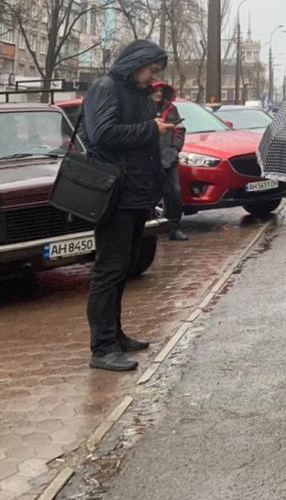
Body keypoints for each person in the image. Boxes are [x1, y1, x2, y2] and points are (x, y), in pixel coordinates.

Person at [80, 40, 174, 372]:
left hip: (135, 194)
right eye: (151, 70)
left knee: (124, 266)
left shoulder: (136, 93)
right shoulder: (105, 88)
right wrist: (151, 129)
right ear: (135, 64)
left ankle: (115, 335)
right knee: (109, 269)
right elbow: (103, 133)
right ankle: (102, 347)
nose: (153, 78)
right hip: (115, 195)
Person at [151, 82, 188, 241]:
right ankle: (150, 229)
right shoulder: (143, 108)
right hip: (149, 159)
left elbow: (180, 129)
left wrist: (175, 149)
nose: (158, 94)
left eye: (161, 91)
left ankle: (174, 228)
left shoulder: (172, 109)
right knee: (150, 195)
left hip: (169, 158)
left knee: (175, 192)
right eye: (156, 91)